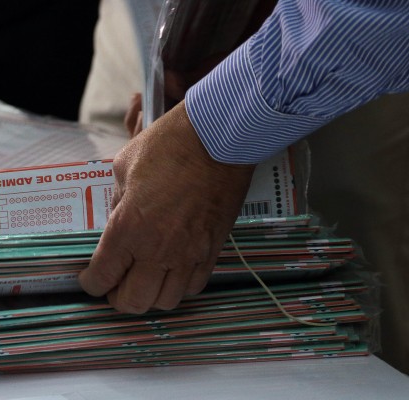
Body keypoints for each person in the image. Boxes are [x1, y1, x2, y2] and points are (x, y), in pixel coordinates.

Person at [78, 0, 409, 372]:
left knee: (351, 299)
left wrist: (213, 127)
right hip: (138, 22)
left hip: (336, 46)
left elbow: (368, 21)